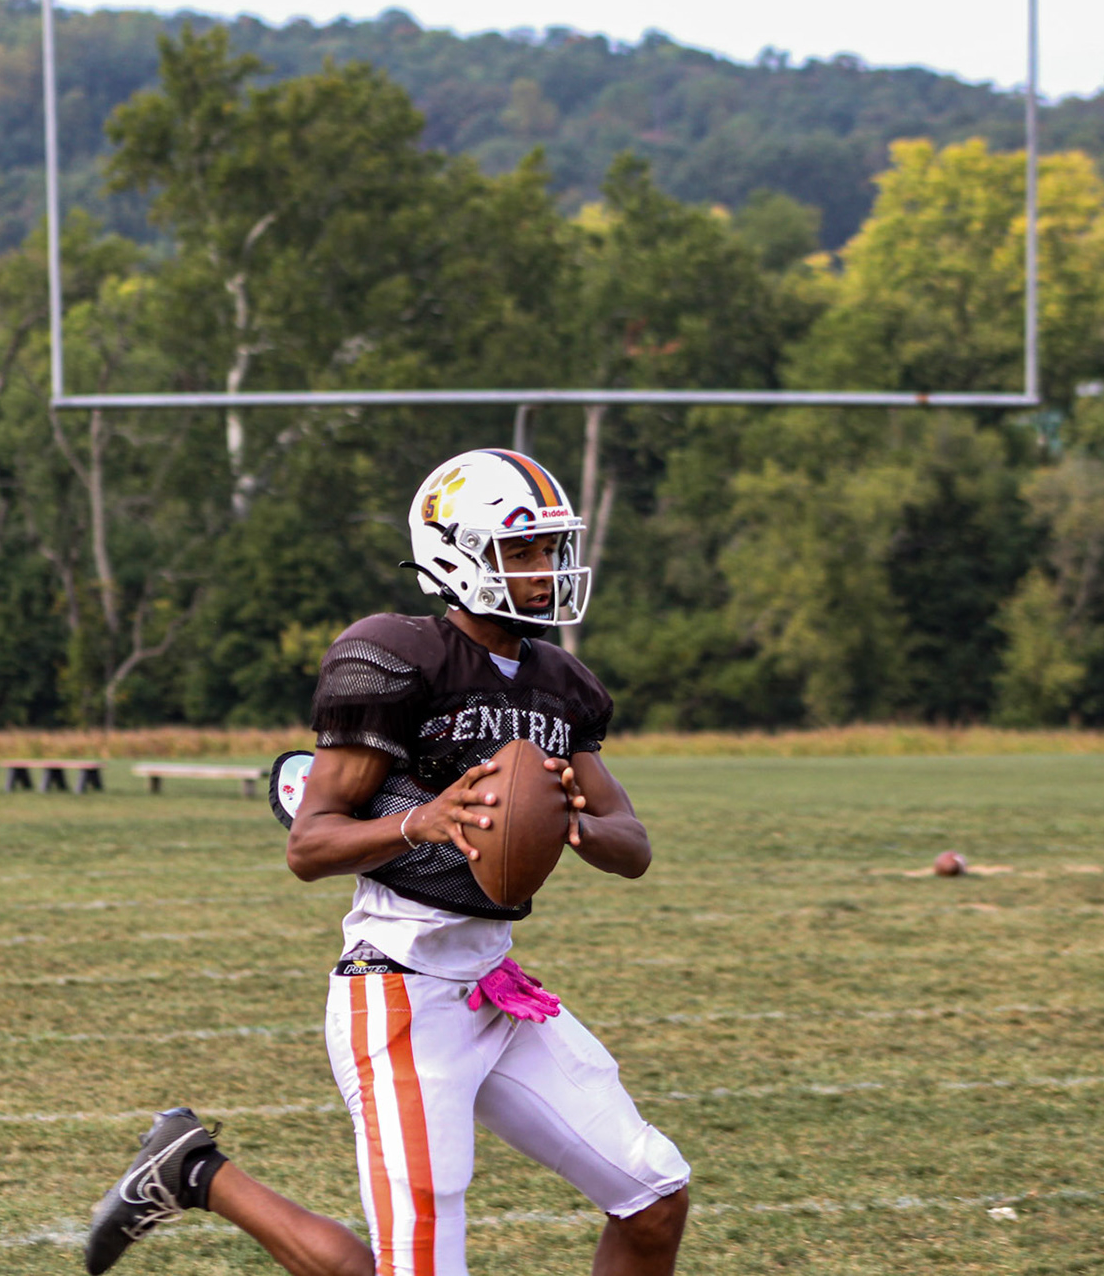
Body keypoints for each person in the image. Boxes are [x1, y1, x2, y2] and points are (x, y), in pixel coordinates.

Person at [83, 448, 691, 1276]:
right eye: (521, 550)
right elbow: (310, 844)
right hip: (399, 990)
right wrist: (424, 822)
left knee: (654, 1195)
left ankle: (187, 1168)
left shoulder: (559, 683)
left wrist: (570, 821)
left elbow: (633, 843)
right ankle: (197, 1174)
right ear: (457, 555)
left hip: (494, 988)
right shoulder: (397, 658)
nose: (545, 570)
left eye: (550, 549)